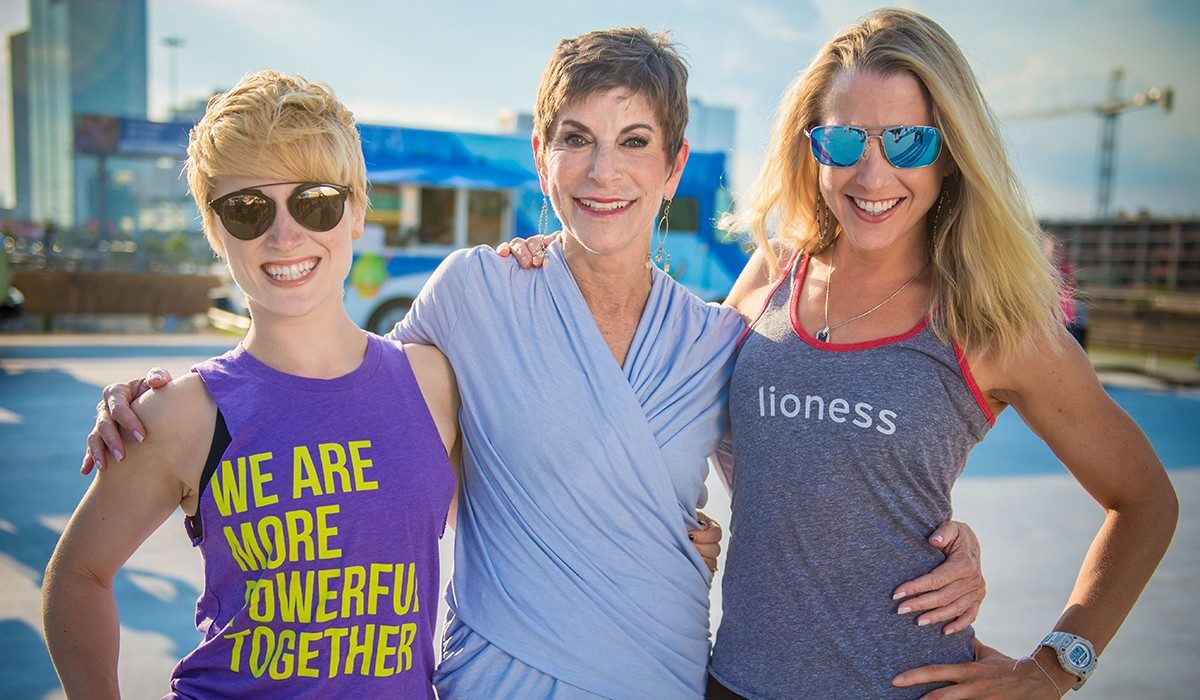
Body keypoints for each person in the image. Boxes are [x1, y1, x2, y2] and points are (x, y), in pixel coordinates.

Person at [82, 29, 985, 699]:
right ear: (541, 160)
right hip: (495, 679)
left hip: (658, 674)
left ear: (673, 167)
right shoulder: (474, 292)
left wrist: (943, 546)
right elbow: (342, 387)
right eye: (577, 139)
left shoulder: (717, 341)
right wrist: (176, 397)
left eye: (635, 141)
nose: (605, 170)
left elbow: (801, 493)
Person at [696, 9, 1176, 698]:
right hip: (734, 680)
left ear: (949, 152)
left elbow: (1146, 502)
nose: (872, 173)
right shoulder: (772, 276)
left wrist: (1055, 667)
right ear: (811, 146)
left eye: (907, 142)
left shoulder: (990, 321)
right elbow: (698, 428)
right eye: (843, 140)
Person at [43, 70, 460, 698]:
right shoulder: (184, 414)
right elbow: (77, 575)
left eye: (314, 200)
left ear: (356, 213)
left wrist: (530, 266)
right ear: (215, 233)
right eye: (247, 209)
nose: (284, 234)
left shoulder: (432, 383)